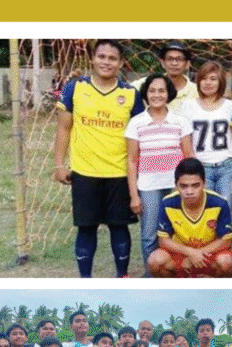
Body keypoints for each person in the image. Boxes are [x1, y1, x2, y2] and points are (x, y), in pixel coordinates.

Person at [53, 39, 143, 278]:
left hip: (119, 173)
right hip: (84, 172)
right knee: (86, 228)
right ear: (93, 59)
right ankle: (85, 279)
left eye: (112, 58)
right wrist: (59, 164)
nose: (106, 62)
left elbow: (139, 136)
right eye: (102, 56)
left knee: (119, 227)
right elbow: (63, 129)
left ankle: (122, 276)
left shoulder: (130, 94)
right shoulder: (73, 87)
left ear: (121, 63)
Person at [125, 74, 194, 265]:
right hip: (148, 187)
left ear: (169, 93)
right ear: (146, 94)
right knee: (149, 234)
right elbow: (131, 161)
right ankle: (152, 275)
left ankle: (179, 272)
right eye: (152, 91)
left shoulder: (180, 121)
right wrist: (134, 195)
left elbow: (189, 156)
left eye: (161, 90)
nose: (157, 95)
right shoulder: (136, 123)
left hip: (176, 187)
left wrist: (189, 188)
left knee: (178, 231)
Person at [148, 158, 232, 278]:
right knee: (155, 261)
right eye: (183, 186)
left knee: (226, 262)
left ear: (204, 184)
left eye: (195, 185)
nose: (189, 191)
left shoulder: (219, 203)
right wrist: (190, 253)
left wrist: (199, 254)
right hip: (181, 255)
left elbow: (226, 240)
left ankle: (212, 290)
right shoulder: (168, 203)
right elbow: (163, 240)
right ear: (176, 185)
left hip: (208, 255)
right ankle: (178, 290)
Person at [180, 60, 232, 208]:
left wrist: (231, 150)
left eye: (213, 79)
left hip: (226, 165)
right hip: (201, 164)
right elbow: (185, 136)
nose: (208, 83)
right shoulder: (188, 106)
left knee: (225, 207)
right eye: (204, 79)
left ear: (221, 81)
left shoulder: (231, 106)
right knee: (205, 209)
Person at [130, 41, 198, 109]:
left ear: (187, 64)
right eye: (170, 59)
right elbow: (125, 89)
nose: (174, 63)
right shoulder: (148, 83)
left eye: (179, 59)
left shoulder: (197, 91)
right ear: (162, 63)